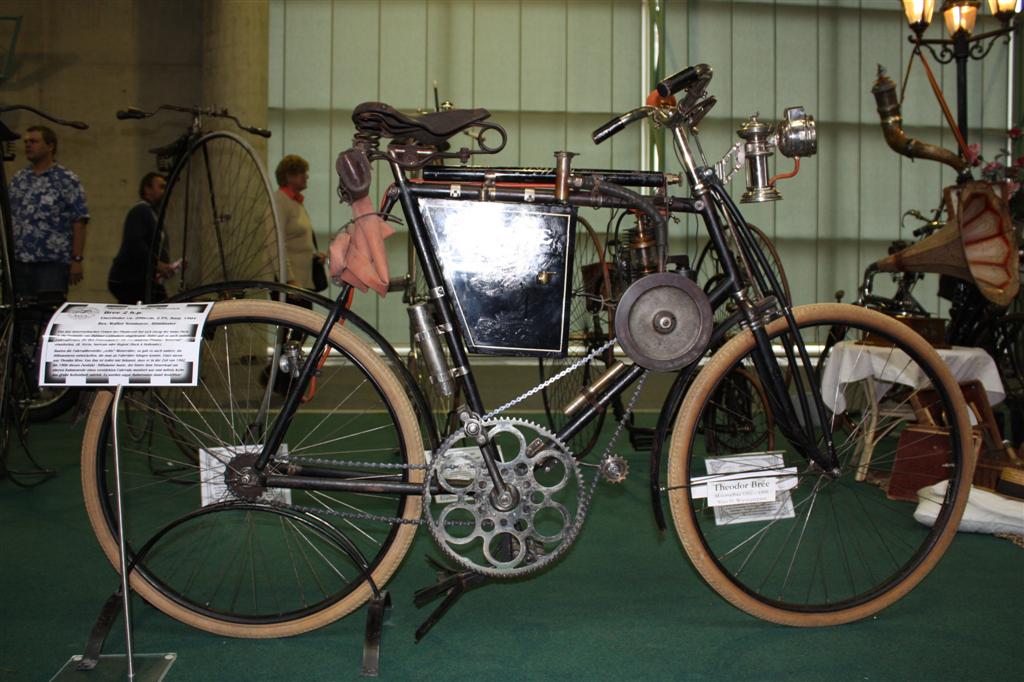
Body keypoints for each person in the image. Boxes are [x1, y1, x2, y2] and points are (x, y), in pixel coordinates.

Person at [9, 125, 89, 296]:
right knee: (23, 318)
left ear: (50, 146)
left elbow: (79, 222)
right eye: (26, 142)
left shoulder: (67, 179)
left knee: (47, 314)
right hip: (20, 263)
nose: (28, 145)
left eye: (34, 141)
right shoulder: (18, 179)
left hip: (52, 263)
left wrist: (76, 260)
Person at [108, 172, 176, 304]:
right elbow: (135, 243)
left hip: (142, 279)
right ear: (147, 189)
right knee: (160, 306)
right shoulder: (141, 211)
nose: (165, 191)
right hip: (130, 279)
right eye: (161, 187)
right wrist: (158, 264)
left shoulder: (152, 213)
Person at [273, 154, 325, 300]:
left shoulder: (295, 202)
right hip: (291, 285)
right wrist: (289, 280)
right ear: (289, 176)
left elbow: (294, 239)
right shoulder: (280, 201)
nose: (306, 176)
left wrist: (312, 255)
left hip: (301, 283)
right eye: (302, 173)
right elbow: (275, 244)